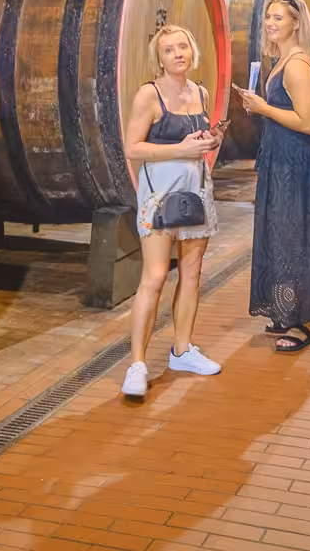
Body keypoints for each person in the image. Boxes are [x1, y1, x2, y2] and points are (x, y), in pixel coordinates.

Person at [121, 25, 223, 397]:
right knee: (156, 276)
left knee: (192, 274)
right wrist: (181, 149)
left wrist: (210, 140)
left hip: (196, 191)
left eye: (183, 46)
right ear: (159, 59)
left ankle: (182, 350)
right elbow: (133, 148)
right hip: (160, 195)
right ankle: (137, 364)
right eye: (169, 50)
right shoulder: (149, 95)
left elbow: (200, 142)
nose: (178, 53)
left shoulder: (200, 92)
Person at [235, 0, 310, 352]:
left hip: (299, 162)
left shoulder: (296, 64)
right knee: (282, 233)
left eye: (279, 17)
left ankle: (305, 321)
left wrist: (264, 108)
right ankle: (288, 310)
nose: (271, 23)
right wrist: (260, 107)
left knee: (298, 238)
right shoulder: (279, 60)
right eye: (268, 16)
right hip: (282, 159)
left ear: (296, 23)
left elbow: (309, 123)